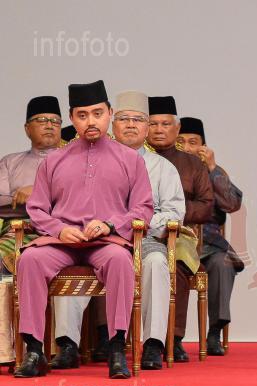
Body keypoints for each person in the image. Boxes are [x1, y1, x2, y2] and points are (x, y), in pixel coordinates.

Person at [14, 80, 154, 379]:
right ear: (72, 118)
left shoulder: (130, 160)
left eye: (97, 113)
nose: (90, 121)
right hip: (61, 243)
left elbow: (143, 208)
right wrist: (59, 230)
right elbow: (37, 208)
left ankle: (117, 349)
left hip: (106, 242)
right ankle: (35, 350)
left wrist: (109, 224)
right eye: (82, 115)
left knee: (121, 261)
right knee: (29, 259)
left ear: (109, 114)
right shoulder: (54, 160)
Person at [52, 91, 186, 371]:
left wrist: (133, 223)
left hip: (143, 240)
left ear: (147, 127)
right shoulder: (88, 160)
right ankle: (67, 344)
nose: (131, 125)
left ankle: (153, 344)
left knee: (157, 262)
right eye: (124, 119)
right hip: (97, 239)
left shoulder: (163, 168)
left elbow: (175, 213)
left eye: (138, 119)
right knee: (70, 260)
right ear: (113, 123)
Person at [147, 97, 214, 362]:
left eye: (165, 124)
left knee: (177, 264)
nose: (159, 129)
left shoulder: (192, 164)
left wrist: (173, 213)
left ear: (177, 129)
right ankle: (107, 338)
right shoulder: (134, 159)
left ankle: (172, 338)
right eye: (153, 124)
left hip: (180, 233)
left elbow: (206, 206)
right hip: (140, 232)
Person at [178, 117, 243, 355]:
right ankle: (172, 337)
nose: (187, 148)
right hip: (176, 241)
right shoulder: (168, 168)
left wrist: (213, 168)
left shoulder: (214, 171)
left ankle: (214, 331)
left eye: (193, 142)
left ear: (203, 146)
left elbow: (232, 204)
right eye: (181, 142)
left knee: (223, 263)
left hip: (209, 244)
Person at [0, 96, 62, 276]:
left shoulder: (76, 161)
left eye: (55, 121)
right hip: (19, 230)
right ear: (27, 129)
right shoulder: (10, 162)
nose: (49, 125)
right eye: (41, 120)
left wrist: (37, 193)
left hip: (61, 230)